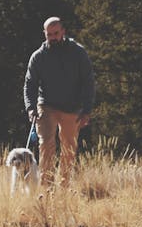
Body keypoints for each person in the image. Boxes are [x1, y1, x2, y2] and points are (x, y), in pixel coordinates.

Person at [23, 16, 95, 186]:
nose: (53, 37)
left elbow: (88, 81)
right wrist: (31, 108)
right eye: (49, 34)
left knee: (69, 148)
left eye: (56, 33)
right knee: (46, 144)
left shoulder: (78, 53)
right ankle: (46, 187)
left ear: (63, 31)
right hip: (46, 105)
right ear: (44, 34)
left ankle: (64, 185)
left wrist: (87, 110)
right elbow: (30, 84)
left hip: (72, 107)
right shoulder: (38, 57)